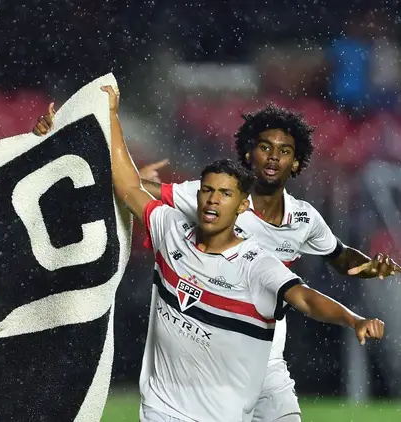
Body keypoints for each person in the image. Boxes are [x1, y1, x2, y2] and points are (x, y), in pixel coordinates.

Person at [100, 85, 384, 422]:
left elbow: (315, 286)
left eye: (284, 151)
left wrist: (361, 293)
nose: (213, 200)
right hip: (176, 394)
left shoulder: (283, 240)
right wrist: (108, 120)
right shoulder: (176, 224)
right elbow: (131, 188)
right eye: (265, 147)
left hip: (262, 363)